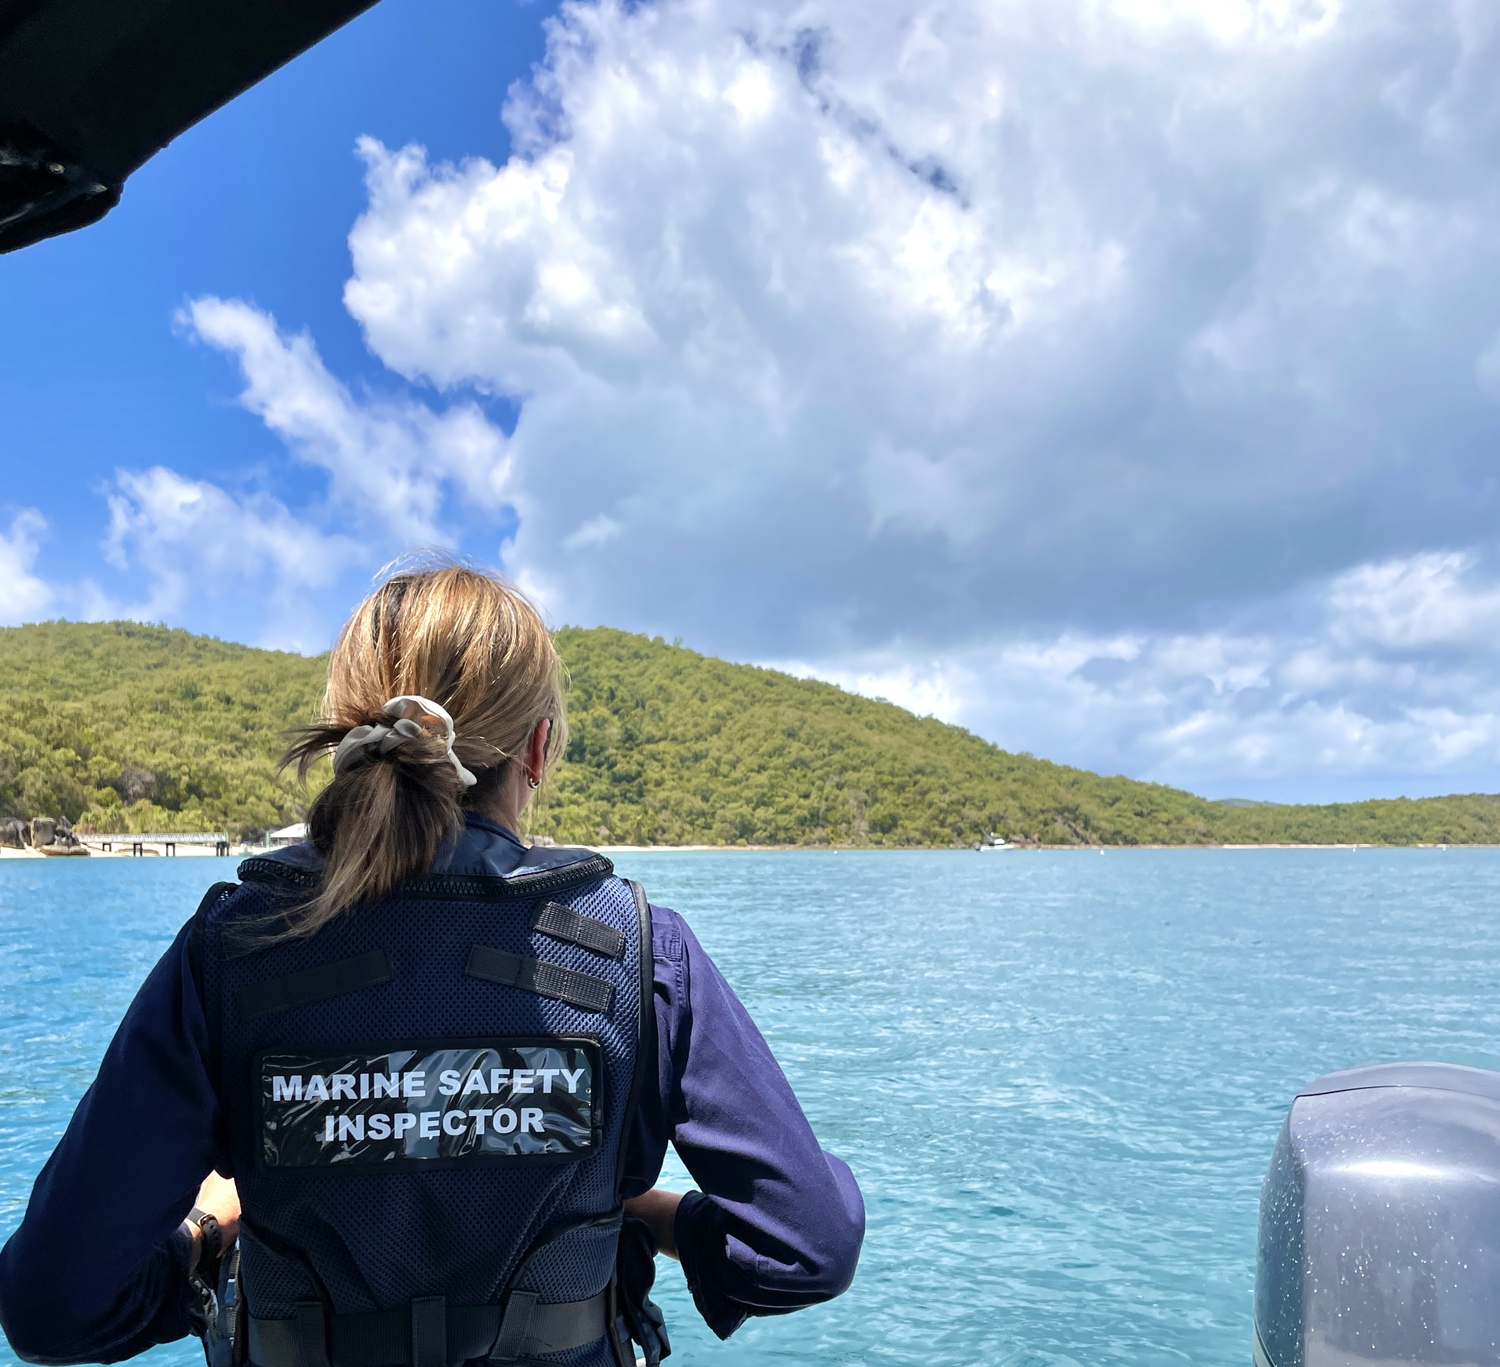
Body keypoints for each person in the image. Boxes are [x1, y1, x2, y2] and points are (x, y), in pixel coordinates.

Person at [0, 565, 863, 1366]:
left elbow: (52, 1305)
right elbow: (806, 1246)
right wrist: (647, 1210)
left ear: (354, 737)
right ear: (536, 750)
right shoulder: (638, 950)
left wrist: (202, 1235)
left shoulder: (235, 950)